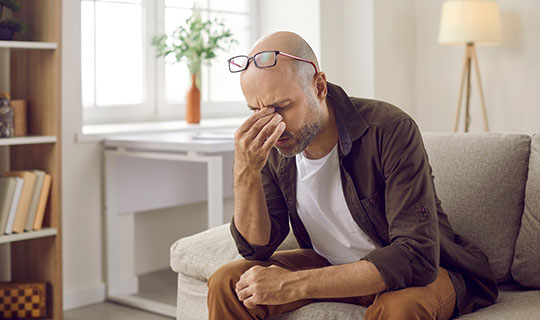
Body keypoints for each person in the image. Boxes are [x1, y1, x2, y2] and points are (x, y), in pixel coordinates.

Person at [207, 31, 498, 320]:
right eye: (255, 110)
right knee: (228, 283)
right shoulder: (274, 142)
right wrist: (246, 170)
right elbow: (256, 248)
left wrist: (294, 284)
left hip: (412, 272)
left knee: (400, 310)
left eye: (282, 106)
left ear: (319, 86)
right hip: (329, 264)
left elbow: (416, 256)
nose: (273, 124)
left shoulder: (389, 129)